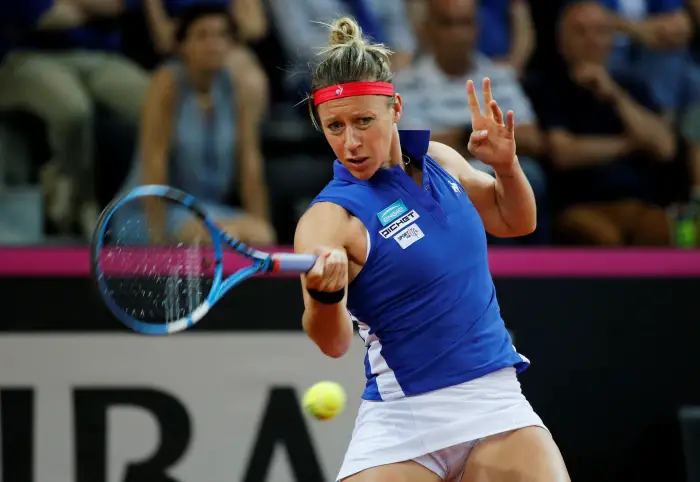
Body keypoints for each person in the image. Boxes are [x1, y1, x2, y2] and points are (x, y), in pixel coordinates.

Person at [294, 16, 570, 482]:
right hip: (403, 422)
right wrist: (325, 295)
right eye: (334, 127)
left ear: (396, 108)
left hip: (494, 405)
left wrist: (506, 166)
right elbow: (333, 342)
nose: (351, 142)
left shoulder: (440, 160)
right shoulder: (328, 219)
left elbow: (515, 220)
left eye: (364, 121)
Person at [113, 4, 275, 245]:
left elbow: (250, 165)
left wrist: (265, 246)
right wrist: (158, 243)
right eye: (202, 36)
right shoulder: (167, 83)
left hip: (207, 211)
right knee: (209, 236)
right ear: (183, 45)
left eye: (222, 35)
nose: (214, 44)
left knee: (262, 234)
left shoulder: (237, 87)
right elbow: (154, 163)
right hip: (151, 212)